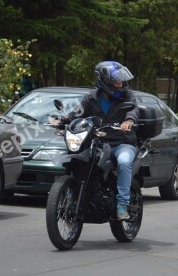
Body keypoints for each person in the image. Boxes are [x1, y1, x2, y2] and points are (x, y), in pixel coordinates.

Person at [58, 61, 139, 221]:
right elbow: (78, 113)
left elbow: (133, 110)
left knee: (124, 162)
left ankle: (122, 205)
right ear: (104, 81)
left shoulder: (128, 96)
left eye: (121, 80)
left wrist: (129, 121)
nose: (121, 83)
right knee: (83, 160)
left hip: (121, 143)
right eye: (116, 81)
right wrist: (64, 120)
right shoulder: (91, 98)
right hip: (99, 143)